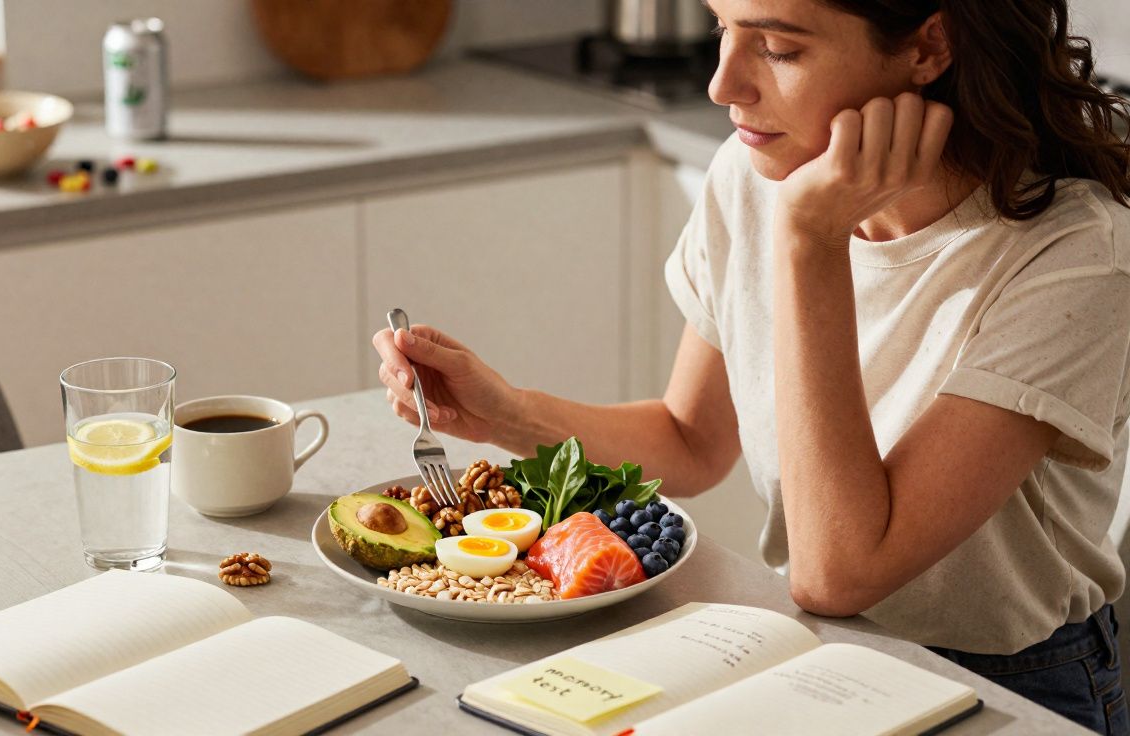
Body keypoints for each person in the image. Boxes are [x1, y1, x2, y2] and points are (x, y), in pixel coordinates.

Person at [373, 0, 1130, 732]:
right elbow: (691, 440)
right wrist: (506, 413)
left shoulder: (1074, 258)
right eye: (721, 28)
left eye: (778, 47)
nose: (721, 84)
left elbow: (840, 571)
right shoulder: (759, 171)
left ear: (929, 45)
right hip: (814, 650)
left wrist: (808, 241)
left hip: (1010, 691)